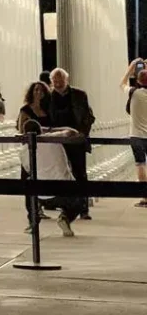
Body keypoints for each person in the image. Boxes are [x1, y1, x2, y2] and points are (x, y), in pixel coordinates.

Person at [44, 67, 95, 219]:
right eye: (55, 81)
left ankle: (83, 209)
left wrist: (82, 133)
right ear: (51, 81)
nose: (58, 83)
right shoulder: (48, 97)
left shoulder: (80, 95)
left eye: (61, 80)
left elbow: (88, 116)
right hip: (56, 142)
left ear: (67, 80)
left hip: (76, 141)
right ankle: (66, 206)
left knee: (80, 174)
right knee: (60, 173)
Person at [19, 117, 82, 237]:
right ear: (41, 130)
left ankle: (33, 221)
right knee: (81, 197)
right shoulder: (53, 138)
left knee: (29, 183)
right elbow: (72, 131)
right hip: (65, 192)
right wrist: (50, 130)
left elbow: (28, 170)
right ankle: (65, 217)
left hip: (41, 194)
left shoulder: (23, 151)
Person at [17, 81, 52, 230]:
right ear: (31, 92)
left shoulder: (48, 109)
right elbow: (21, 130)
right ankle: (32, 219)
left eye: (41, 90)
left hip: (46, 152)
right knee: (28, 184)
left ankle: (41, 209)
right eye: (36, 90)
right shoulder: (25, 110)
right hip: (30, 151)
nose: (38, 92)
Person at [120, 58, 147, 207]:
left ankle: (144, 197)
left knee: (140, 164)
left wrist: (131, 68)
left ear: (138, 80)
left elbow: (122, 84)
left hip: (137, 135)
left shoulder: (134, 92)